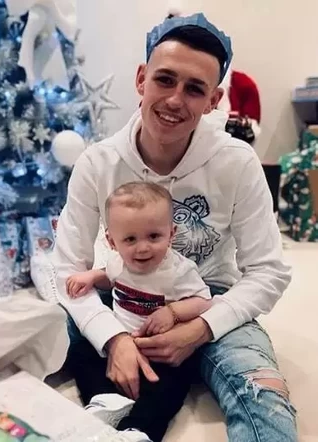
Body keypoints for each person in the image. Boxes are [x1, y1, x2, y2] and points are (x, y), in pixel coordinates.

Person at [53, 12, 296, 442]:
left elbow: (268, 271)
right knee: (58, 339)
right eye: (165, 80)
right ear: (141, 79)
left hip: (210, 299)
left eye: (194, 89)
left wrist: (198, 330)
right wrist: (114, 339)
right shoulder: (97, 162)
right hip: (124, 290)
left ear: (214, 100)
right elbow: (67, 269)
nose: (175, 100)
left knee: (266, 398)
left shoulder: (238, 163)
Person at [65, 182, 211, 441]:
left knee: (170, 385)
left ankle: (137, 429)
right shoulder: (117, 262)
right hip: (122, 343)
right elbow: (110, 278)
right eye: (130, 239)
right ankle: (105, 400)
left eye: (153, 236)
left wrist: (173, 313)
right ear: (112, 241)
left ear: (171, 233)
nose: (143, 247)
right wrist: (92, 277)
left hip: (161, 350)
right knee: (81, 350)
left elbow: (203, 301)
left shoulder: (178, 270)